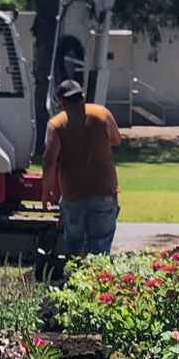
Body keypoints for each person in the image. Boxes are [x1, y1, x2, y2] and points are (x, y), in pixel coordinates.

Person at [42, 78, 121, 257]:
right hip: (104, 190)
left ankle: (77, 272)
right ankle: (97, 273)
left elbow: (49, 160)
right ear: (83, 97)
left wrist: (46, 192)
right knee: (100, 244)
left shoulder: (56, 124)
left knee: (74, 243)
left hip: (73, 194)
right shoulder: (102, 114)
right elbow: (117, 139)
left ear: (62, 101)